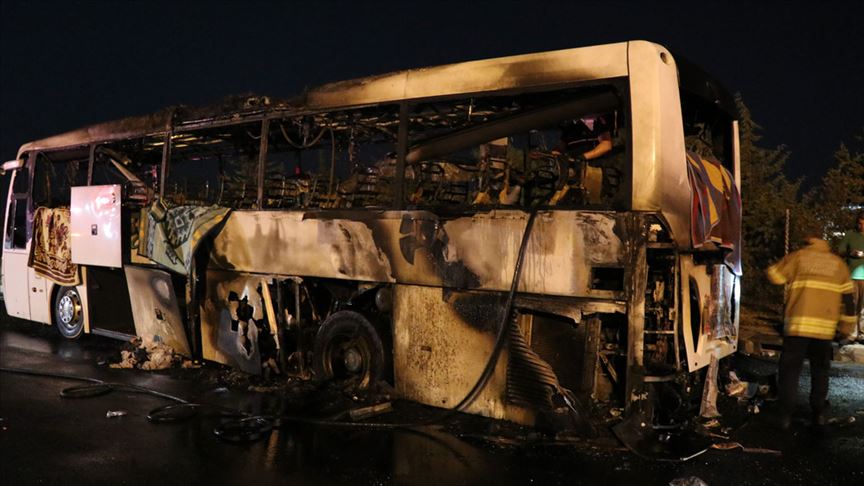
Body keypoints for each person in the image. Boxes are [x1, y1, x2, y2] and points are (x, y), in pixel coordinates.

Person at [766, 234, 856, 428]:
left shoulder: (798, 257)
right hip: (824, 329)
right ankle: (819, 413)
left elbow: (774, 276)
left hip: (797, 326)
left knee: (790, 370)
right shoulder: (837, 264)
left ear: (808, 243)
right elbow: (849, 301)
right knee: (820, 370)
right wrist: (846, 327)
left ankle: (785, 416)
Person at [837, 211, 864, 342]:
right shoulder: (850, 235)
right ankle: (851, 333)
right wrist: (850, 252)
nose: (862, 226)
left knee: (863, 307)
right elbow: (839, 251)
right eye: (860, 223)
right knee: (852, 305)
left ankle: (862, 332)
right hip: (853, 276)